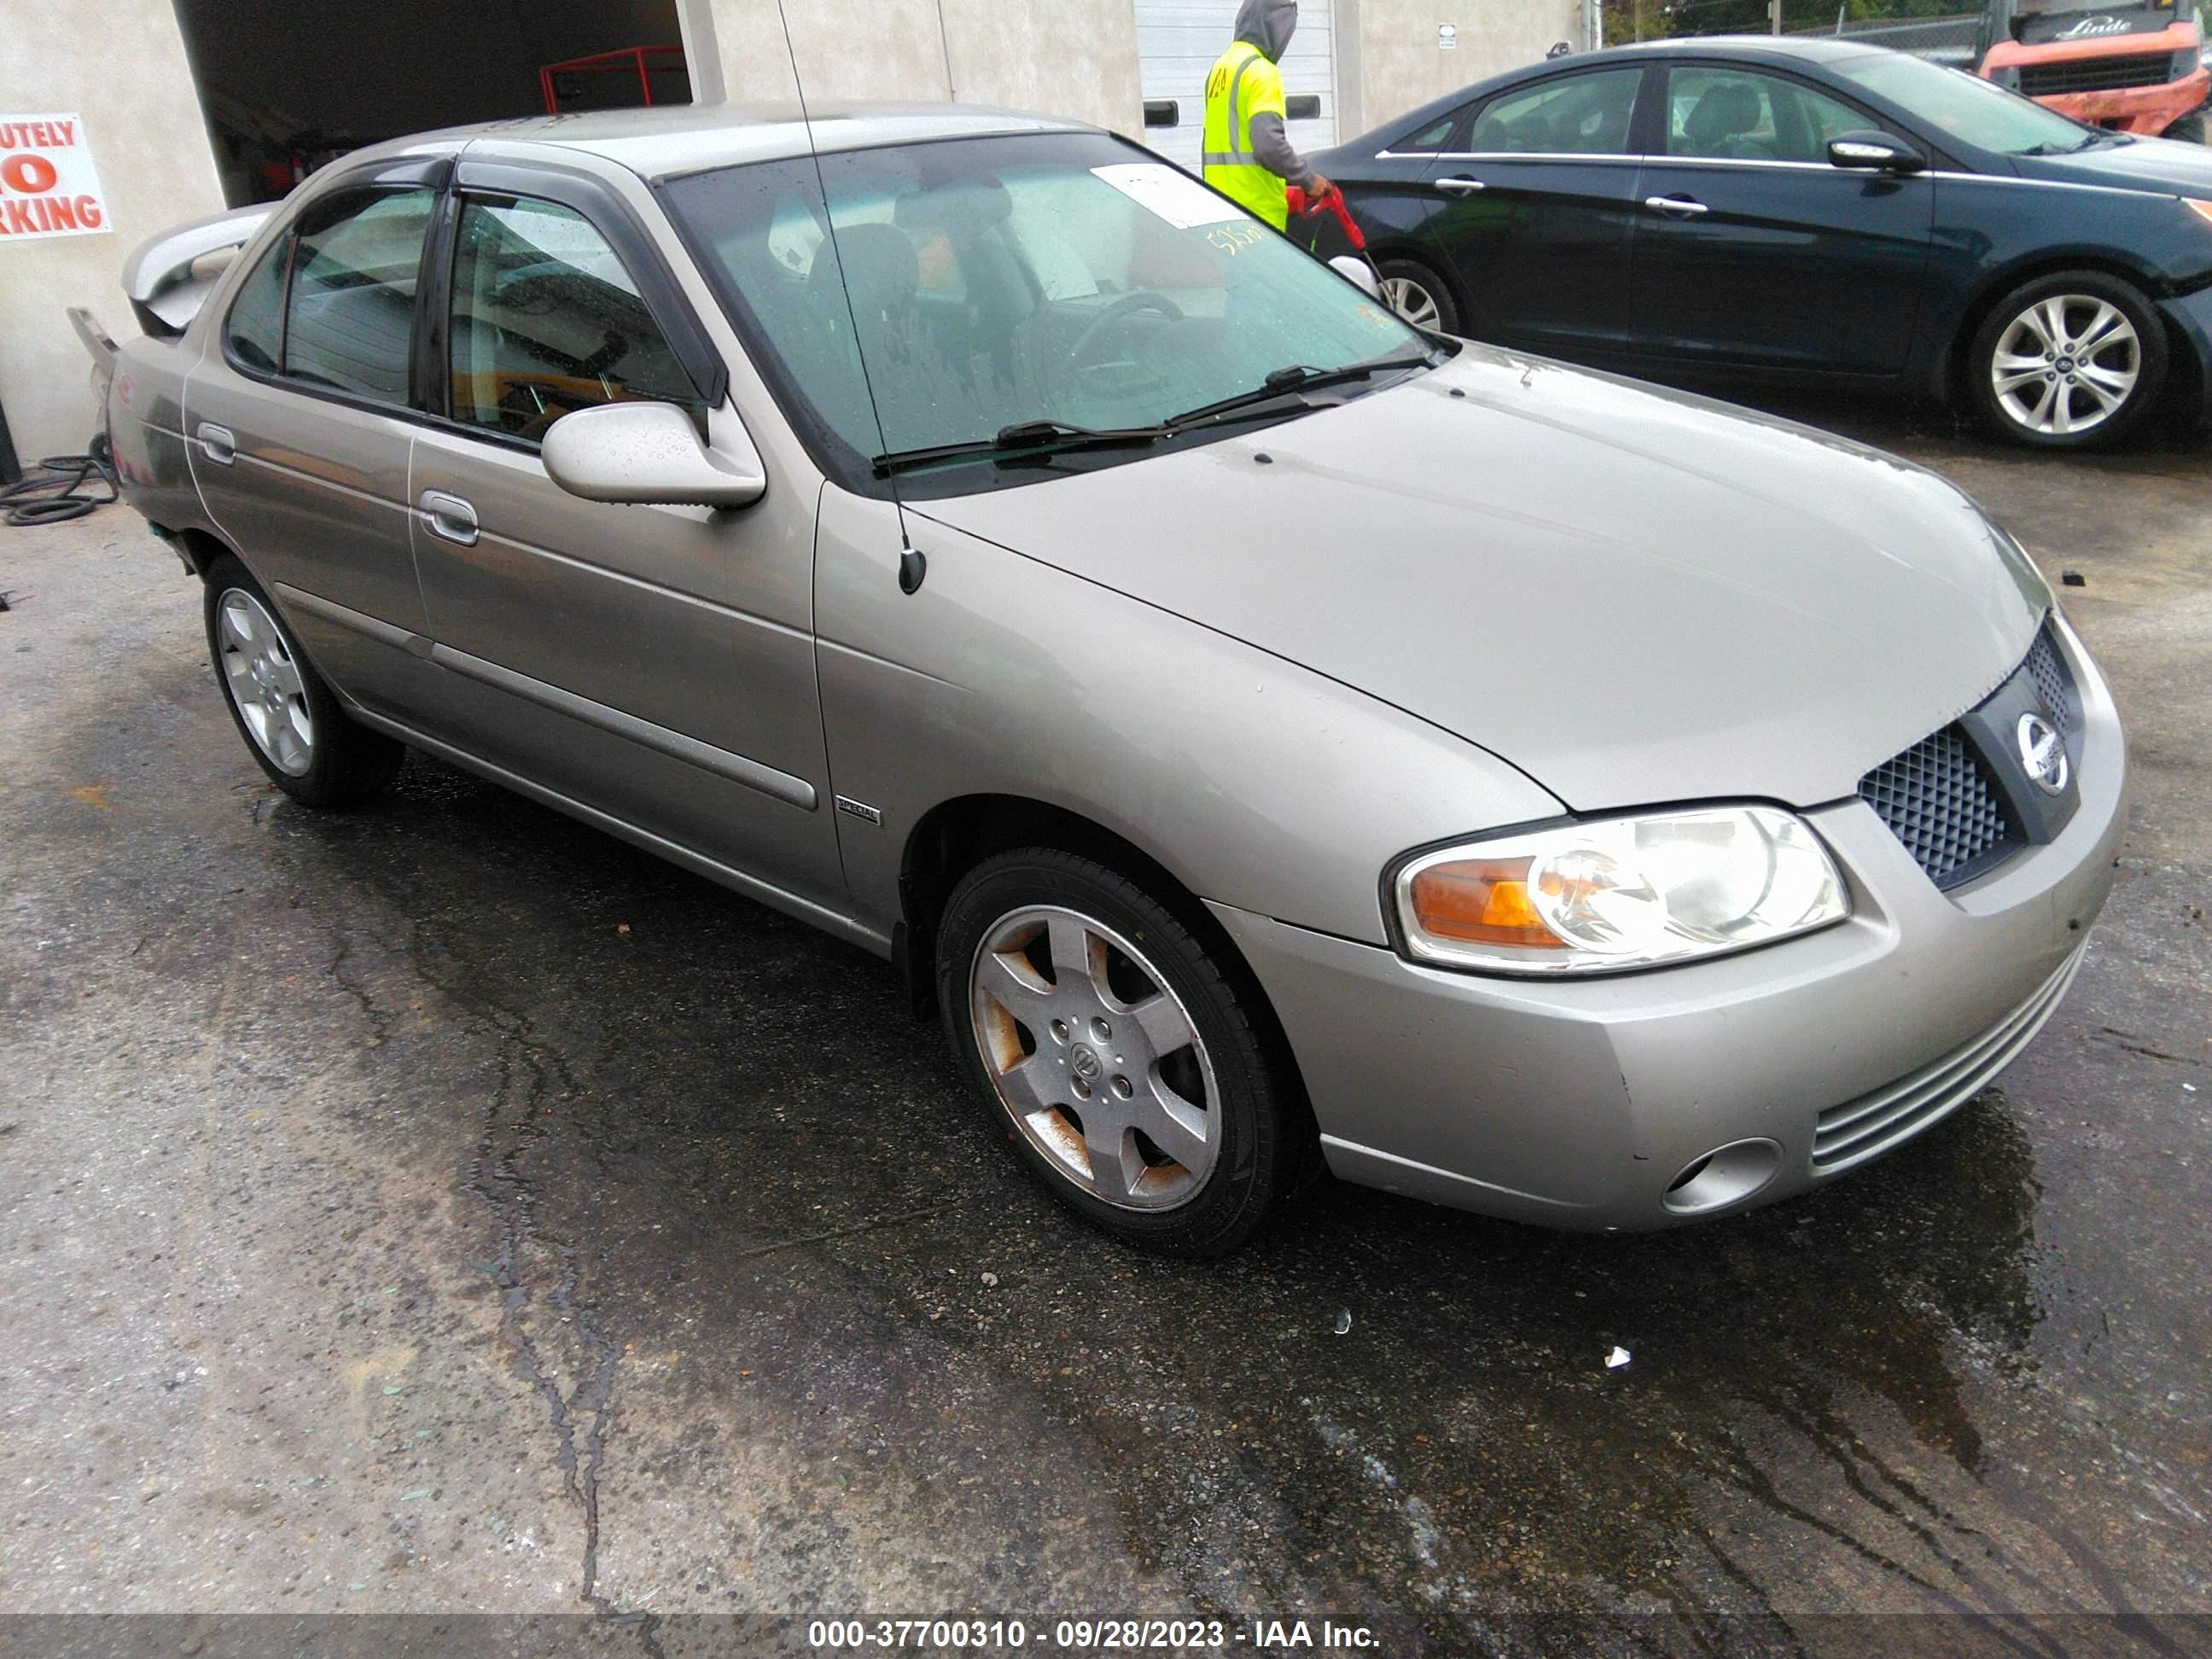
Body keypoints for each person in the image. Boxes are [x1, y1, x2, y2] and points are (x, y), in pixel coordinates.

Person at [1202, 0, 1332, 232]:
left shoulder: (1220, 68)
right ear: (1276, 25)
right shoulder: (1262, 72)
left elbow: (1215, 144)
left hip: (1221, 211)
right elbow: (1268, 146)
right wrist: (1308, 180)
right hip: (1258, 217)